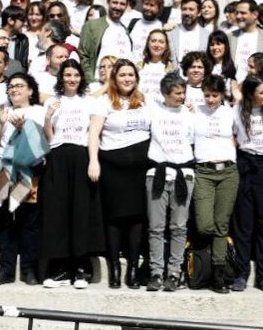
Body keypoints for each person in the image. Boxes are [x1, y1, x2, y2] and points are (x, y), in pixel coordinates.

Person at [40, 59, 105, 288]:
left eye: (75, 75)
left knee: (81, 211)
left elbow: (93, 135)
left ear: (81, 78)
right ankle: (58, 268)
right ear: (61, 78)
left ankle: (80, 268)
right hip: (58, 157)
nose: (71, 79)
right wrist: (48, 117)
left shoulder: (90, 102)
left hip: (81, 157)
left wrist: (93, 161)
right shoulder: (53, 101)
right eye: (67, 75)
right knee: (57, 212)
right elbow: (50, 138)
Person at [90, 59, 152, 289]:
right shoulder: (104, 102)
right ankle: (115, 269)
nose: (127, 79)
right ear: (114, 78)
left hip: (140, 167)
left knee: (137, 217)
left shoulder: (145, 101)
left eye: (131, 75)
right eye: (122, 75)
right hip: (113, 165)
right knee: (114, 218)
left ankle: (133, 270)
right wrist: (93, 161)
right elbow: (94, 134)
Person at [0, 74, 45, 286]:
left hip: (27, 172)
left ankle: (29, 270)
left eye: (20, 86)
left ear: (30, 90)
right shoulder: (2, 110)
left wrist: (23, 129)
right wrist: (1, 124)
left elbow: (44, 142)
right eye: (11, 87)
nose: (14, 90)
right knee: (4, 221)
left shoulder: (39, 111)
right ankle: (6, 270)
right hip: (4, 170)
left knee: (28, 221)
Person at [144, 74, 198, 291]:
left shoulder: (189, 113)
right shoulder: (154, 110)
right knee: (156, 227)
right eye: (177, 93)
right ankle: (156, 272)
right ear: (165, 93)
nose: (182, 96)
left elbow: (192, 139)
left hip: (182, 173)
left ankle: (174, 272)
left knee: (179, 226)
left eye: (183, 92)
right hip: (157, 172)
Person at [230, 75, 263, 292]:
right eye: (262, 92)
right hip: (245, 163)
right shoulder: (238, 110)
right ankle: (241, 273)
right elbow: (229, 134)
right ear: (250, 94)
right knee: (243, 223)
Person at [192, 74, 238, 293]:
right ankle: (205, 253)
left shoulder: (231, 113)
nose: (210, 99)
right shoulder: (194, 112)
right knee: (204, 224)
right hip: (204, 171)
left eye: (215, 95)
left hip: (228, 171)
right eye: (207, 95)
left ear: (222, 94)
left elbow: (240, 135)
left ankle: (218, 273)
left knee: (222, 224)